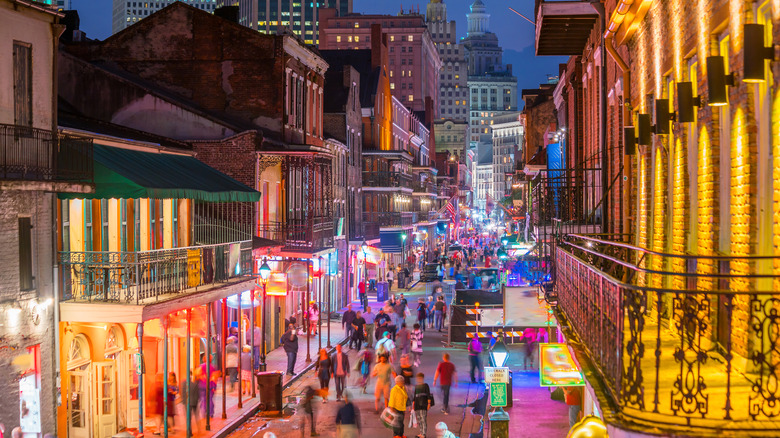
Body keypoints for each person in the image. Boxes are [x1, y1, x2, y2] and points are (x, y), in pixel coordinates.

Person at [180, 369, 201, 434]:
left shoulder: (184, 383)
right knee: (196, 416)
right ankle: (199, 429)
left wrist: (183, 401)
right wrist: (197, 400)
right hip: (194, 402)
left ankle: (189, 431)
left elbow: (183, 393)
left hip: (187, 402)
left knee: (188, 418)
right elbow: (198, 393)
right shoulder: (195, 383)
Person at [413, 373, 433, 438]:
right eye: (418, 378)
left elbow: (428, 395)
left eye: (420, 378)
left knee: (423, 419)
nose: (419, 379)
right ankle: (421, 432)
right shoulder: (416, 386)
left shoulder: (425, 386)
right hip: (417, 405)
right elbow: (414, 396)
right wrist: (413, 405)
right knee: (419, 420)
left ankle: (424, 434)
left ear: (422, 378)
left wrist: (429, 404)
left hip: (423, 405)